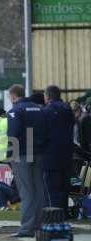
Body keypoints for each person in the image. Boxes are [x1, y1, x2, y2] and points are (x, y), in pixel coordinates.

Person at [7, 84, 47, 238]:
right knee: (39, 190)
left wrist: (11, 154)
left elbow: (14, 134)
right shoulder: (38, 109)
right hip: (38, 153)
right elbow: (45, 130)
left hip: (22, 154)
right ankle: (40, 225)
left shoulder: (15, 111)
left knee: (26, 190)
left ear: (13, 96)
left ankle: (27, 228)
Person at [42, 85, 75, 218]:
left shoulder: (46, 111)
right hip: (67, 155)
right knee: (64, 188)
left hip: (50, 156)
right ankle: (65, 213)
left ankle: (55, 216)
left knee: (53, 189)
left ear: (48, 96)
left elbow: (41, 132)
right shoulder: (68, 110)